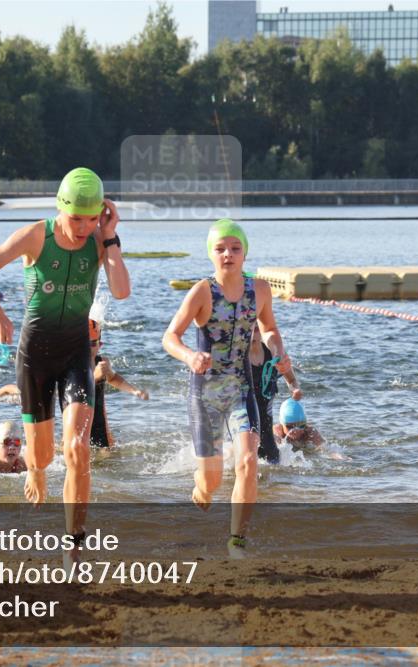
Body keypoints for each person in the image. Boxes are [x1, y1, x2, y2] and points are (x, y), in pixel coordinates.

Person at [0, 167, 130, 555]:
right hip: (34, 355)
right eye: (76, 218)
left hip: (75, 355)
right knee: (42, 456)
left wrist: (111, 237)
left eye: (92, 218)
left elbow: (120, 291)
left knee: (78, 448)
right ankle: (36, 471)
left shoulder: (100, 241)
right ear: (61, 208)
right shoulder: (36, 235)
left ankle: (75, 541)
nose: (84, 227)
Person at [162, 218, 293, 557]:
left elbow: (269, 329)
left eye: (235, 248)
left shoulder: (260, 290)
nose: (228, 254)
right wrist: (190, 356)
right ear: (211, 254)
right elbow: (169, 337)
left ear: (245, 252)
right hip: (204, 393)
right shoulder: (202, 291)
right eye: (220, 249)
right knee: (212, 481)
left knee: (249, 461)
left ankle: (237, 540)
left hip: (241, 389)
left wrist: (277, 350)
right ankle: (201, 489)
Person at [84, 319, 149, 448]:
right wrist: (94, 378)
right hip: (78, 420)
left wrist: (134, 391)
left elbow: (113, 378)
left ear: (99, 345)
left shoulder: (102, 362)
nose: (87, 347)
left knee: (108, 455)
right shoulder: (72, 365)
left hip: (99, 422)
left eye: (92, 343)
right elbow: (72, 392)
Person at [248, 323, 302, 464]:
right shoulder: (239, 357)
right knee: (247, 459)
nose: (255, 329)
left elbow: (291, 380)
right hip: (245, 421)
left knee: (273, 462)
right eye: (251, 325)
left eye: (257, 325)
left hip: (266, 422)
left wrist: (295, 390)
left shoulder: (273, 354)